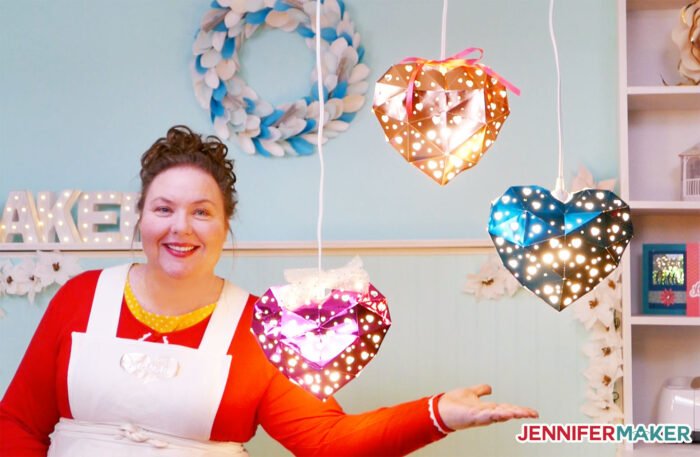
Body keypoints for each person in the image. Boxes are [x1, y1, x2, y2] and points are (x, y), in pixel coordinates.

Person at [0, 126, 538, 456]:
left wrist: (437, 412)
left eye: (201, 212)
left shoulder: (261, 325)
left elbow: (326, 442)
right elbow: (18, 423)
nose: (180, 227)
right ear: (140, 217)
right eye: (163, 208)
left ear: (225, 225)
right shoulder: (80, 297)